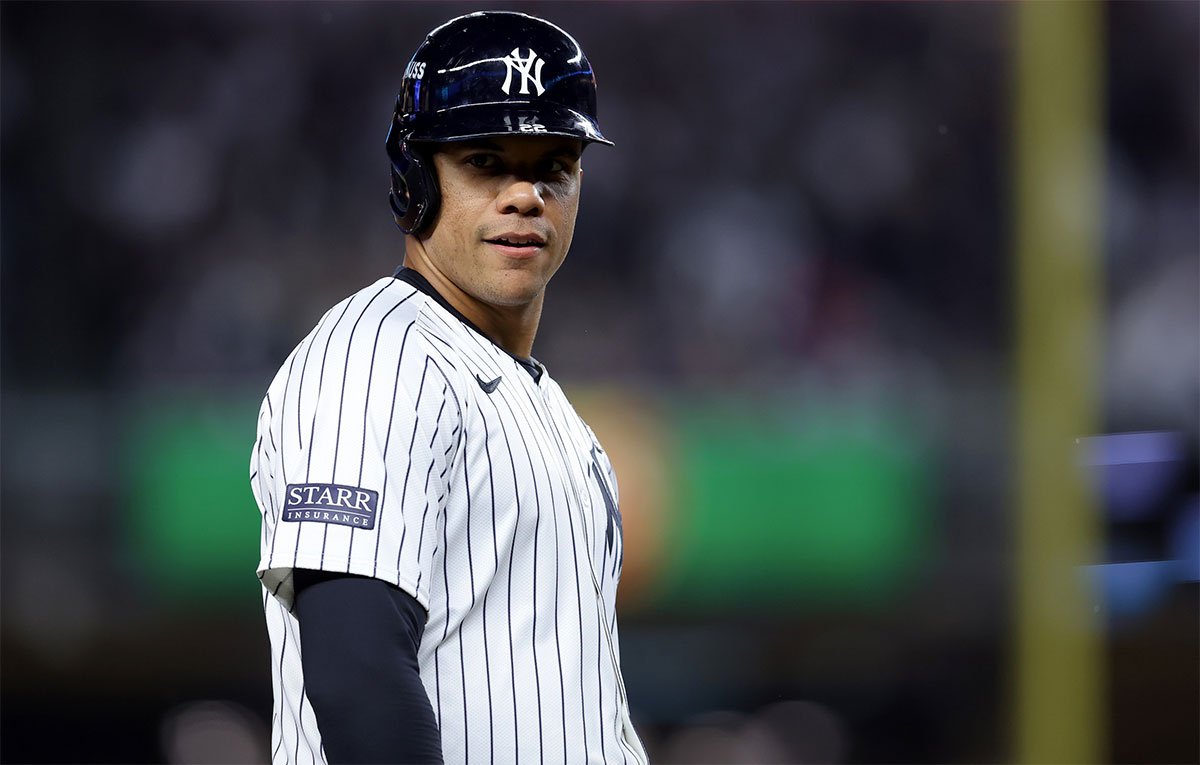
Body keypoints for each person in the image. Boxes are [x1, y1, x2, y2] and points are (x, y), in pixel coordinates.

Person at [249, 10, 648, 764]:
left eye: (553, 165)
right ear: (414, 177)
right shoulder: (375, 356)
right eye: (487, 161)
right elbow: (358, 672)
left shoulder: (551, 409)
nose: (526, 194)